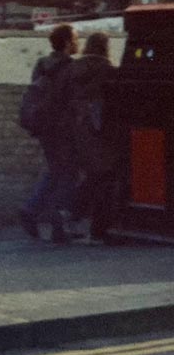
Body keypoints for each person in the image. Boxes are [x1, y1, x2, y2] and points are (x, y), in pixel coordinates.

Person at [19, 23, 79, 244]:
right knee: (69, 173)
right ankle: (57, 223)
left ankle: (31, 210)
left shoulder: (42, 64)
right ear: (66, 43)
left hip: (44, 127)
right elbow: (73, 101)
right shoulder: (71, 67)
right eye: (75, 39)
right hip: (63, 129)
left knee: (55, 171)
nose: (77, 43)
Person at [61, 32, 117, 242]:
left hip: (76, 130)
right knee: (104, 177)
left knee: (92, 176)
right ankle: (97, 229)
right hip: (99, 130)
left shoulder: (73, 68)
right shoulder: (108, 70)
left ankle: (72, 213)